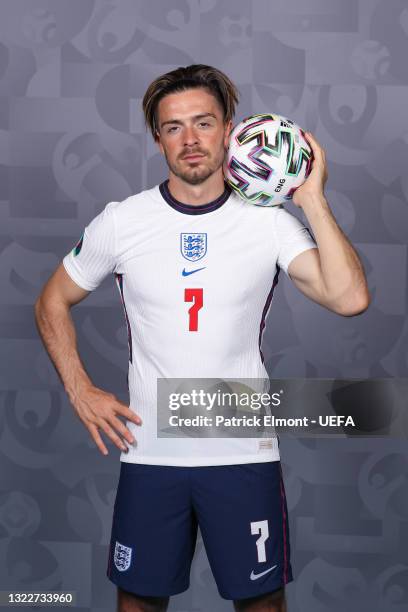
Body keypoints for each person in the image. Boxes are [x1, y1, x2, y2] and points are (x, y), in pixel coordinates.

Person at [34, 64, 370, 612]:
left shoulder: (268, 222)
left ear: (230, 130)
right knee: (138, 604)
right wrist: (79, 389)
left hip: (243, 450)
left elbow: (350, 298)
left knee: (262, 604)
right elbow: (51, 301)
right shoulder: (123, 221)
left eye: (203, 123)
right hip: (151, 454)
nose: (190, 141)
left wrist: (310, 198)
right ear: (158, 138)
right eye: (173, 128)